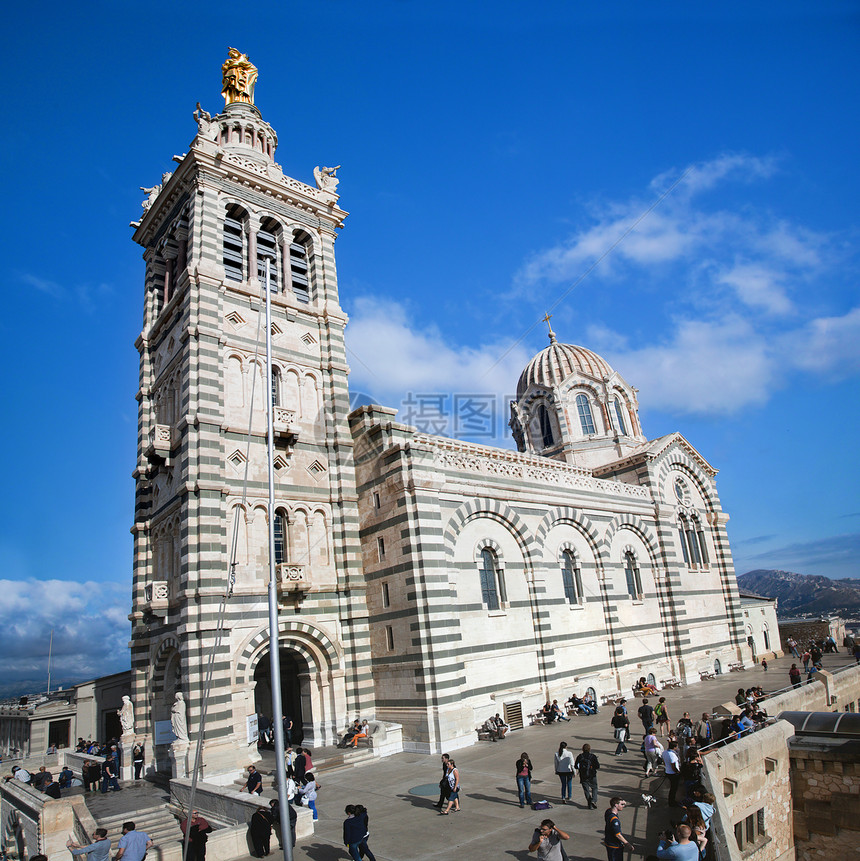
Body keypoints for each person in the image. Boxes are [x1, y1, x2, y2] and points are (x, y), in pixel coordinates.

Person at [603, 797, 632, 861]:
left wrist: (622, 802)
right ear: (616, 805)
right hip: (614, 845)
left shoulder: (608, 811)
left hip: (608, 841)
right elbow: (618, 834)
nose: (623, 806)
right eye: (622, 805)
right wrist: (627, 844)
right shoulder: (614, 820)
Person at [574, 743, 600, 809]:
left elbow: (575, 766)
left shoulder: (580, 756)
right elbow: (597, 766)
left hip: (583, 776)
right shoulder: (593, 756)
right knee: (594, 788)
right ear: (589, 749)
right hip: (592, 775)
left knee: (586, 790)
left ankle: (590, 804)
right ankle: (594, 800)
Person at [662, 741, 681, 807]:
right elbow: (673, 766)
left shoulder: (664, 752)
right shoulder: (672, 755)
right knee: (673, 788)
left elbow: (664, 762)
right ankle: (672, 802)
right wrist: (677, 772)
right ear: (674, 747)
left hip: (668, 771)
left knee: (673, 787)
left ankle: (672, 801)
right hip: (673, 773)